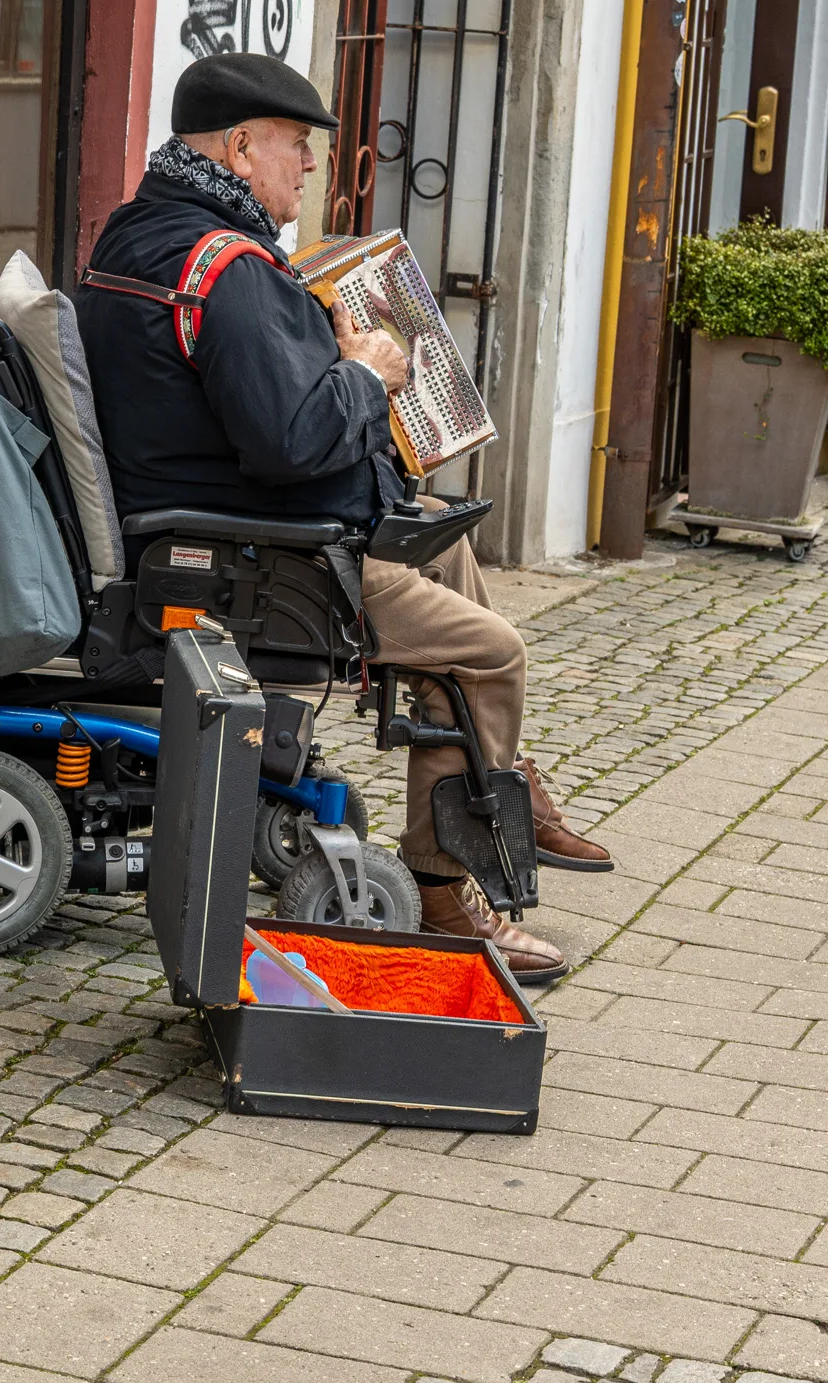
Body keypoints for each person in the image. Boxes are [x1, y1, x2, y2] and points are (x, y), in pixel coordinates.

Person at [74, 50, 611, 984]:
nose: (311, 164)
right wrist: (368, 371)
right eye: (296, 145)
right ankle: (445, 898)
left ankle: (502, 774)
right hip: (262, 558)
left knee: (444, 535)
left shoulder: (139, 231)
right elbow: (290, 442)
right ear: (241, 148)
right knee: (490, 652)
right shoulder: (227, 267)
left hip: (233, 521)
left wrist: (320, 353)